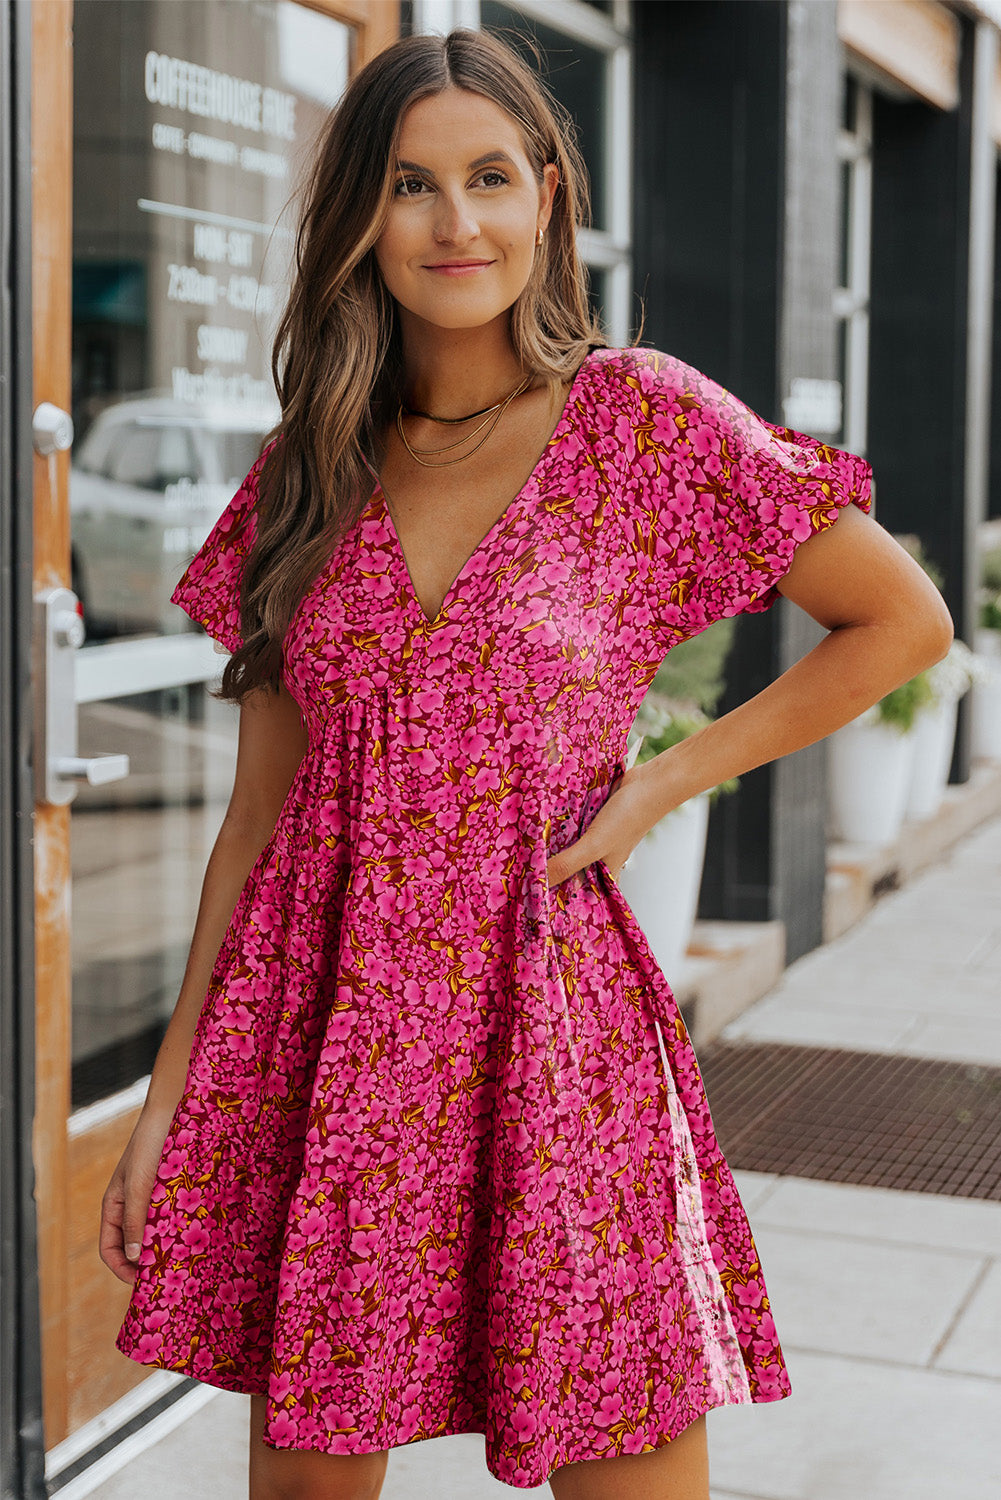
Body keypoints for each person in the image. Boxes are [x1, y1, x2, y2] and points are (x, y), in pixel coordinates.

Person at [100, 27, 953, 1500]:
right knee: (307, 1484)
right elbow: (254, 825)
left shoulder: (641, 421)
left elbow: (899, 621)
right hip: (330, 1044)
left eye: (489, 177)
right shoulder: (314, 463)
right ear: (363, 213)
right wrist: (170, 1099)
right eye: (413, 185)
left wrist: (663, 784)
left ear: (548, 195)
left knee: (622, 1465)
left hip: (549, 1028)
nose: (456, 223)